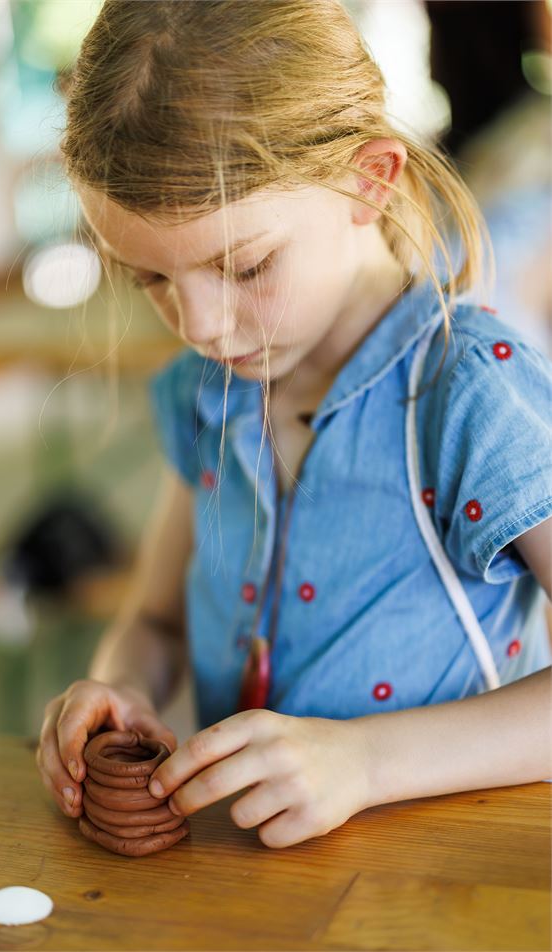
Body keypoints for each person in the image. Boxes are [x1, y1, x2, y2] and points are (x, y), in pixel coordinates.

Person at [36, 0, 552, 850]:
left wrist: (367, 761)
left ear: (369, 180)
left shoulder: (469, 394)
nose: (200, 325)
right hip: (258, 899)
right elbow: (158, 620)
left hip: (447, 892)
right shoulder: (209, 396)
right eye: (150, 280)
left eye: (243, 266)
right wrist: (120, 684)